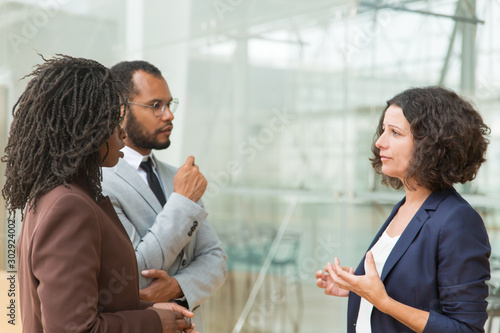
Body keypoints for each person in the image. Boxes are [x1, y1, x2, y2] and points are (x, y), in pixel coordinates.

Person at [2, 55, 198, 333]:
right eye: (111, 121)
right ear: (83, 129)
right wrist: (154, 322)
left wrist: (153, 310)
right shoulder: (69, 206)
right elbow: (72, 328)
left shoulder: (59, 195)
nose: (121, 132)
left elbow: (92, 305)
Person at [315, 86, 491, 332]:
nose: (379, 142)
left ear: (432, 145)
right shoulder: (405, 207)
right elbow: (410, 290)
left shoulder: (457, 220)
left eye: (395, 133)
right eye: (383, 130)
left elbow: (465, 328)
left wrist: (383, 302)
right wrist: (356, 288)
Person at [101, 60, 227, 332]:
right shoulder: (101, 182)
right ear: (121, 111)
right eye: (155, 105)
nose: (168, 115)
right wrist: (182, 203)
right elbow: (133, 277)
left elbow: (215, 258)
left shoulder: (177, 177)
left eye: (170, 104)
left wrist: (179, 286)